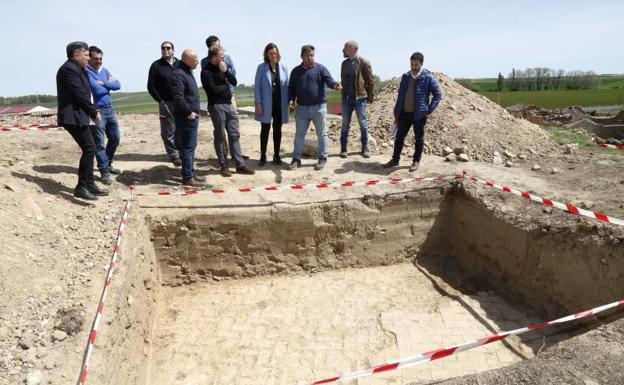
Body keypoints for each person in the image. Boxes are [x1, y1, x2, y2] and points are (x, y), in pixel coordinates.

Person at [56, 41, 109, 201]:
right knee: (89, 149)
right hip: (73, 117)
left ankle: (90, 184)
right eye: (86, 55)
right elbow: (79, 94)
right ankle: (81, 187)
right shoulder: (68, 70)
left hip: (80, 116)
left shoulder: (79, 69)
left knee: (90, 149)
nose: (88, 58)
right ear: (76, 55)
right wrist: (94, 112)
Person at [201, 45, 255, 177]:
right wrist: (225, 86)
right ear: (214, 56)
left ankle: (240, 165)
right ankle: (224, 166)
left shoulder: (223, 67)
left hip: (229, 105)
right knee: (220, 136)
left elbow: (234, 82)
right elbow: (212, 90)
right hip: (216, 106)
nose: (224, 58)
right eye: (221, 56)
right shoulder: (206, 71)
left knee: (234, 135)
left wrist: (225, 72)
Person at [383, 51, 442, 172]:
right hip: (404, 114)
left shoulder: (428, 77)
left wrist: (429, 109)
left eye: (416, 64)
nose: (413, 67)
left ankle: (416, 161)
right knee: (399, 137)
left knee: (418, 138)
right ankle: (395, 159)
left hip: (419, 115)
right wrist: (397, 112)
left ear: (421, 64)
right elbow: (401, 96)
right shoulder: (406, 76)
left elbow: (438, 94)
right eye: (411, 64)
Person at [288, 45, 341, 171]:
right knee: (299, 135)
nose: (310, 57)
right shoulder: (295, 71)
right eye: (307, 55)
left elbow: (330, 81)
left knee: (322, 134)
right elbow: (291, 89)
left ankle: (323, 158)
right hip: (302, 109)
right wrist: (291, 100)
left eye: (312, 55)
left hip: (319, 108)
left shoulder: (320, 69)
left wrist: (335, 85)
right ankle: (296, 159)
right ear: (302, 56)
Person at [86, 46, 121, 185]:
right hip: (97, 111)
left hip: (110, 109)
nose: (99, 61)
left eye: (101, 59)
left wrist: (104, 83)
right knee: (99, 143)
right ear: (89, 58)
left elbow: (118, 85)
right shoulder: (86, 71)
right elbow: (96, 89)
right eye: (96, 59)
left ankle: (108, 163)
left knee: (115, 138)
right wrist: (109, 84)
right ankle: (104, 171)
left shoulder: (104, 71)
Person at [170, 49, 204, 185]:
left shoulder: (187, 72)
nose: (197, 62)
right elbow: (178, 97)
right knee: (187, 147)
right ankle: (188, 177)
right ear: (186, 60)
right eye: (195, 59)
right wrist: (189, 112)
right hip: (186, 117)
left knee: (191, 146)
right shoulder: (178, 74)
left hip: (192, 116)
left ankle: (192, 173)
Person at [254, 43, 289, 166]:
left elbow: (287, 87)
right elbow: (257, 87)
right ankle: (263, 156)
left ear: (278, 54)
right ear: (266, 55)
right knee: (265, 129)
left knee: (278, 130)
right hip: (266, 104)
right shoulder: (261, 68)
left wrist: (290, 102)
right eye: (271, 53)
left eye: (275, 53)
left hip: (280, 104)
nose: (273, 55)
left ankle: (276, 155)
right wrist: (258, 103)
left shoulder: (284, 68)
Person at [147, 41, 182, 167]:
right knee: (168, 131)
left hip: (181, 102)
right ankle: (174, 155)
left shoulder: (181, 64)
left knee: (181, 129)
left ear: (173, 50)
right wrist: (160, 100)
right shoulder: (156, 65)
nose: (165, 50)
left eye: (168, 48)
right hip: (165, 103)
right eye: (163, 48)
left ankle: (181, 152)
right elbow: (151, 86)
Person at [339, 40, 375, 159]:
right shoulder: (344, 64)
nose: (343, 50)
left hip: (360, 99)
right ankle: (343, 149)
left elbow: (370, 81)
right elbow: (343, 80)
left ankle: (365, 148)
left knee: (363, 124)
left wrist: (369, 97)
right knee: (345, 124)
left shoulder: (364, 63)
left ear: (353, 48)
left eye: (345, 48)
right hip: (347, 99)